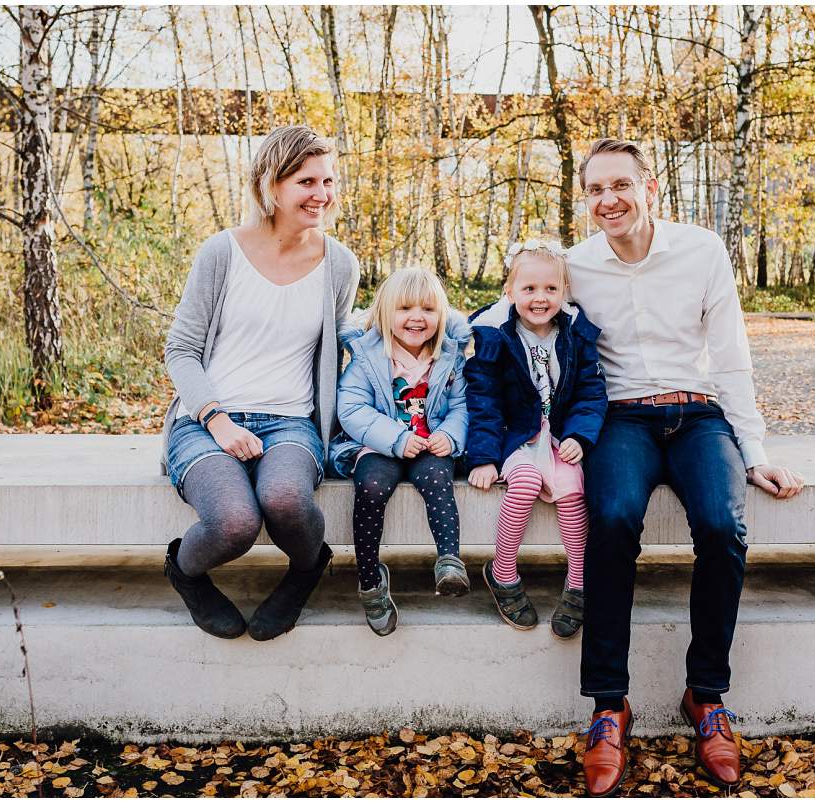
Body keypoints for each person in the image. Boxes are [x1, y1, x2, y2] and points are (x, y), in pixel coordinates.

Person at [567, 139, 805, 796]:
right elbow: (523, 323)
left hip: (699, 415)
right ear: (585, 199)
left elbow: (731, 358)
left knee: (723, 525)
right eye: (594, 189)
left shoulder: (701, 251)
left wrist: (754, 453)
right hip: (620, 418)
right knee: (611, 518)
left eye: (620, 184)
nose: (608, 199)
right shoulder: (575, 265)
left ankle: (706, 695)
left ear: (650, 189)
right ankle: (609, 703)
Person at [160, 126, 360, 642]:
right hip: (205, 422)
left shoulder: (340, 264)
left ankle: (305, 571)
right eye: (305, 181)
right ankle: (185, 571)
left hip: (291, 422)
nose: (322, 194)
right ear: (272, 185)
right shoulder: (221, 252)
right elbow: (179, 350)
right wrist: (217, 420)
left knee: (287, 500)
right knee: (233, 522)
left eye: (329, 181)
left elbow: (340, 349)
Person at [464, 240, 607, 639]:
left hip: (560, 438)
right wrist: (483, 458)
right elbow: (484, 400)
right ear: (510, 291)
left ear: (565, 293)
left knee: (573, 489)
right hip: (517, 438)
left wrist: (580, 434)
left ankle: (578, 582)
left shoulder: (576, 335)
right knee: (524, 483)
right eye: (529, 289)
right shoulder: (495, 337)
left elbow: (591, 392)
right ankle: (503, 571)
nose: (540, 298)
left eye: (550, 289)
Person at [328, 267, 471, 636]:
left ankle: (449, 562)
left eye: (428, 309)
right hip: (376, 445)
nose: (416, 318)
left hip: (429, 443)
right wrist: (395, 438)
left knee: (438, 477)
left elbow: (461, 408)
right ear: (384, 313)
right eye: (405, 308)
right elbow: (353, 409)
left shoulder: (449, 357)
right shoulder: (367, 355)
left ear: (441, 315)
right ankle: (370, 579)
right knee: (373, 485)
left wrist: (450, 437)